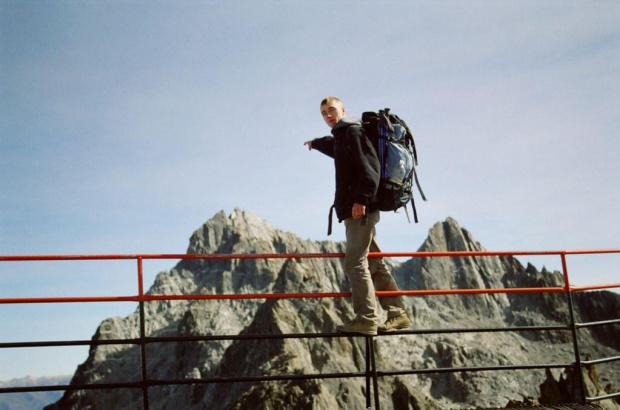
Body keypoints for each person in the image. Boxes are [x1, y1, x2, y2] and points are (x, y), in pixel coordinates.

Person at [304, 96, 412, 336]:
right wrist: (315, 143)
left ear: (343, 109)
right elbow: (335, 148)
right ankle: (398, 313)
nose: (328, 115)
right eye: (323, 113)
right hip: (358, 211)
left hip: (360, 211)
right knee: (373, 261)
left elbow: (371, 169)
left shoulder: (353, 133)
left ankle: (366, 319)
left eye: (332, 110)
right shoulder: (343, 137)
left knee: (354, 262)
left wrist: (361, 200)